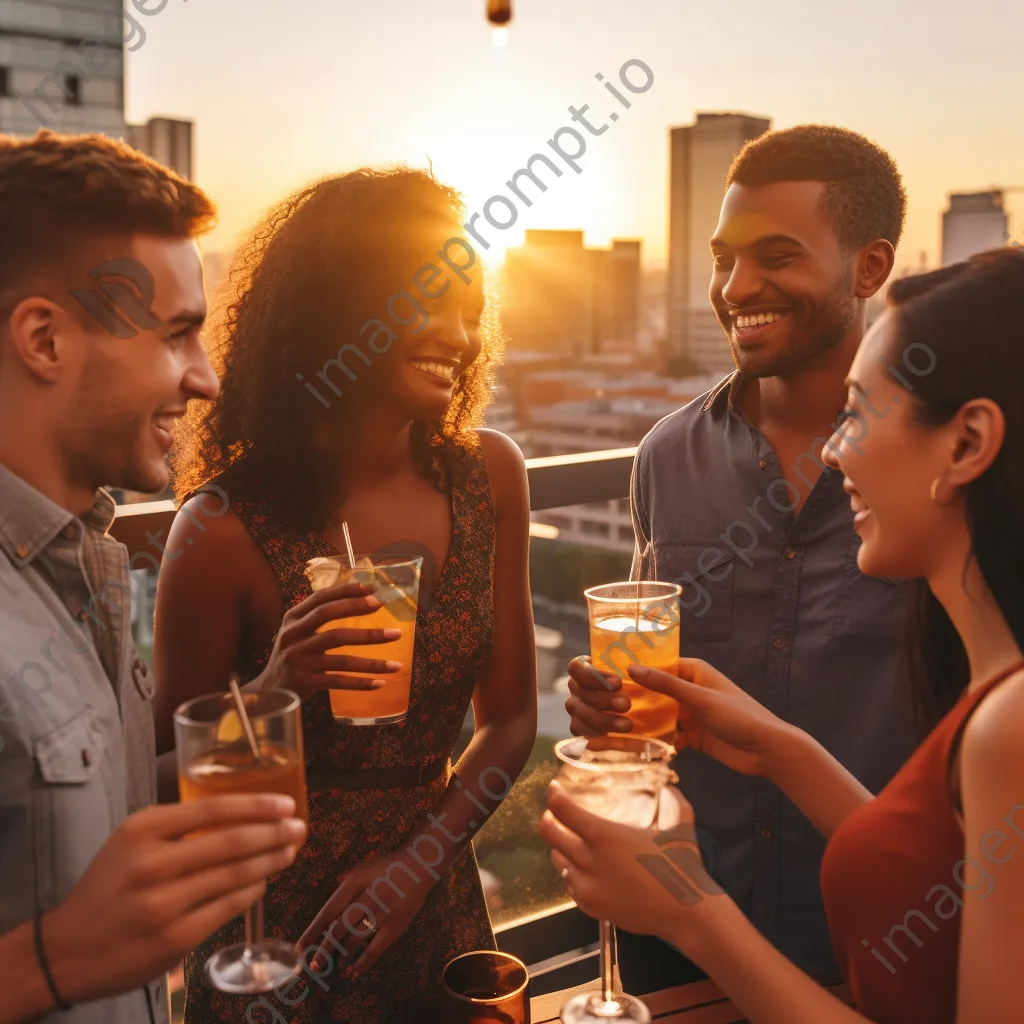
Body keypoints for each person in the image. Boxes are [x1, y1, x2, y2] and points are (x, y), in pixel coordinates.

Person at [543, 247, 1024, 1022]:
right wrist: (779, 748)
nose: (833, 451)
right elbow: (940, 878)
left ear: (966, 443)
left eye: (860, 412)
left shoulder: (1010, 726)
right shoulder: (994, 695)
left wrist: (690, 912)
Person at [152, 167, 538, 1022]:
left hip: (433, 906)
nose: (461, 335)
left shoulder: (490, 477)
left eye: (472, 308)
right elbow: (153, 780)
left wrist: (416, 865)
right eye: (426, 301)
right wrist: (271, 691)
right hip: (275, 942)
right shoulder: (220, 527)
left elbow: (511, 723)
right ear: (336, 313)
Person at [564, 124, 920, 988]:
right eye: (724, 259)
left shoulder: (929, 465)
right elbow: (660, 686)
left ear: (868, 270)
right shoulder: (667, 456)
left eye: (776, 256)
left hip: (878, 937)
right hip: (678, 931)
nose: (735, 287)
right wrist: (611, 710)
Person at [0, 130, 306, 1024]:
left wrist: (272, 695)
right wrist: (47, 966)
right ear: (44, 340)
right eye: (177, 336)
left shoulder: (90, 561)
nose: (206, 379)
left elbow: (95, 812)